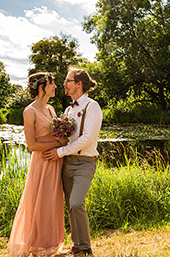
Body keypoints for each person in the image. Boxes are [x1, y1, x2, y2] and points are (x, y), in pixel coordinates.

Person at [43, 66, 102, 257]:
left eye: (68, 81)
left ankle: (86, 247)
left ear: (79, 84)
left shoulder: (92, 107)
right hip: (67, 163)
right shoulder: (68, 109)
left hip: (85, 162)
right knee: (70, 205)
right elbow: (66, 138)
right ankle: (77, 245)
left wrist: (59, 152)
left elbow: (87, 138)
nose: (64, 84)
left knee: (77, 203)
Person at [8, 72, 67, 257]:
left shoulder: (50, 109)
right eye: (52, 83)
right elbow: (32, 145)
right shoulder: (29, 111)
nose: (55, 86)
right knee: (40, 202)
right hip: (42, 162)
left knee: (52, 203)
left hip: (55, 161)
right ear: (42, 87)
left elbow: (57, 134)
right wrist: (58, 145)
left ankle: (49, 244)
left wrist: (64, 138)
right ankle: (34, 244)